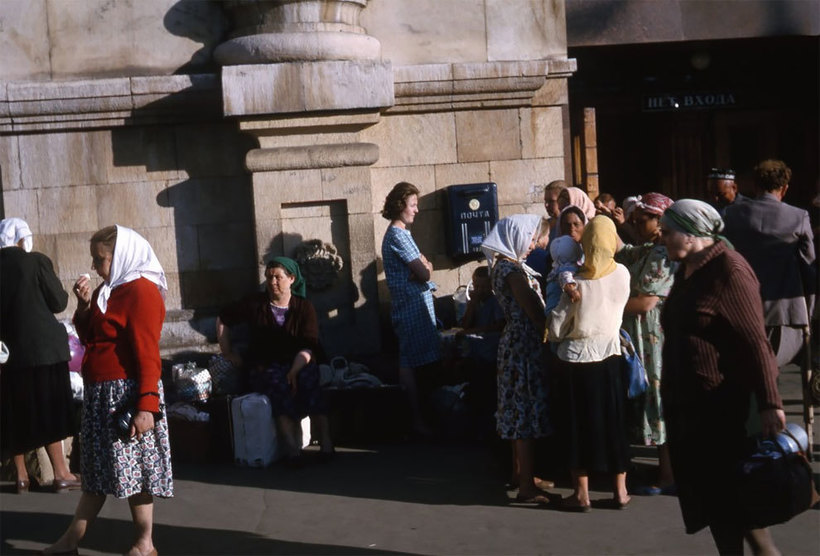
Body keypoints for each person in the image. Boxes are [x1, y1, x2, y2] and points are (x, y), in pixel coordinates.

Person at [659, 199, 785, 555]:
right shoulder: (689, 270)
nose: (662, 238)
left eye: (667, 232)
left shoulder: (729, 269)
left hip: (722, 411)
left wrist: (770, 403)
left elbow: (755, 341)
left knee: (737, 509)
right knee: (723, 511)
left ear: (691, 232)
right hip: (692, 409)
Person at [46, 225, 172, 556]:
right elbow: (91, 337)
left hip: (125, 395)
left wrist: (147, 405)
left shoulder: (141, 292)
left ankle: (144, 543)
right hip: (102, 394)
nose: (95, 265)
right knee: (98, 473)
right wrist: (85, 306)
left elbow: (148, 352)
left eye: (100, 258)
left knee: (137, 473)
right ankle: (72, 541)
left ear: (121, 256)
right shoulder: (110, 289)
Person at [547, 216, 631, 512]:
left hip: (576, 362)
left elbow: (556, 329)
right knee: (613, 423)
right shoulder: (622, 274)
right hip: (610, 358)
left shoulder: (576, 285)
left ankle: (581, 494)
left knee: (577, 427)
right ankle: (620, 491)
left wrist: (562, 302)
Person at [217, 257, 334, 463]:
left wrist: (294, 372)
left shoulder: (304, 308)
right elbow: (224, 318)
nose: (273, 282)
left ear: (291, 279)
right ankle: (291, 450)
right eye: (269, 277)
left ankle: (326, 444)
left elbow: (309, 345)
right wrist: (227, 352)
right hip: (265, 365)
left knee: (310, 381)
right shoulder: (255, 304)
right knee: (277, 384)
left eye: (278, 277)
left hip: (300, 362)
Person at [0, 218, 80, 494]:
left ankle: (21, 477)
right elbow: (58, 301)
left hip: (9, 354)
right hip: (44, 349)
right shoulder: (35, 262)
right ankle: (61, 473)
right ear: (22, 240)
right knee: (50, 408)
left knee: (14, 410)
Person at [481, 214, 552, 503]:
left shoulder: (503, 267)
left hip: (514, 342)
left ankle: (520, 473)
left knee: (515, 408)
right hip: (523, 345)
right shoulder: (511, 271)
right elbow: (533, 310)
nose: (533, 245)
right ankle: (526, 486)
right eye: (530, 239)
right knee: (524, 411)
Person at [723, 159, 815, 367]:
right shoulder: (798, 216)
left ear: (755, 186)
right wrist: (808, 310)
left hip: (741, 305)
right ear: (784, 188)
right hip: (784, 308)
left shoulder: (732, 215)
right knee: (774, 365)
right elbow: (808, 266)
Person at [614, 192, 677, 494]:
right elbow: (623, 251)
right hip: (640, 338)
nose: (637, 225)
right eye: (635, 220)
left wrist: (607, 304)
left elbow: (646, 301)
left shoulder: (664, 255)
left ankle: (668, 474)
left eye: (643, 220)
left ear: (660, 220)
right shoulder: (648, 249)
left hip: (654, 338)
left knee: (658, 396)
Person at [381, 181, 441, 436]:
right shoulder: (397, 235)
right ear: (400, 205)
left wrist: (425, 269)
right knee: (413, 365)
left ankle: (420, 419)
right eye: (413, 204)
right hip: (411, 308)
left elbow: (425, 270)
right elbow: (424, 272)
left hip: (413, 306)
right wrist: (425, 268)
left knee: (415, 363)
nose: (416, 210)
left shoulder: (402, 234)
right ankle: (418, 420)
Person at [544, 235, 583, 313]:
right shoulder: (567, 268)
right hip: (557, 307)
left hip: (551, 302)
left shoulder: (556, 268)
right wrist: (571, 290)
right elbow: (565, 276)